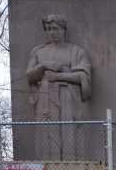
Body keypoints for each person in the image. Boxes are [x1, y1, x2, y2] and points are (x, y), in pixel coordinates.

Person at [26, 14, 93, 159]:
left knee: (68, 132)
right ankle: (47, 165)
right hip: (45, 99)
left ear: (63, 29)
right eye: (49, 29)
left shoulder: (76, 51)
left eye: (55, 28)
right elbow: (29, 76)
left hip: (67, 97)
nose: (52, 32)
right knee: (47, 134)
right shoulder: (38, 52)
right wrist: (43, 66)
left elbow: (84, 77)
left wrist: (58, 76)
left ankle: (71, 165)